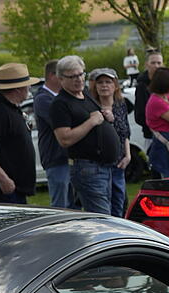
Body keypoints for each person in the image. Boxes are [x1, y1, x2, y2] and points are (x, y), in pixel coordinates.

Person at [50, 55, 121, 214]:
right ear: (61, 79)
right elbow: (64, 139)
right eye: (73, 76)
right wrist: (91, 122)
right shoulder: (60, 104)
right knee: (102, 219)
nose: (79, 79)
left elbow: (97, 117)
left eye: (81, 74)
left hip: (104, 167)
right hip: (87, 169)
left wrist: (106, 117)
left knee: (112, 215)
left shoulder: (85, 94)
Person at [0, 63, 39, 204]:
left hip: (13, 190)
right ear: (18, 89)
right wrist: (3, 179)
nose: (29, 89)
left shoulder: (10, 108)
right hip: (3, 192)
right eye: (27, 85)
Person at [88, 68, 130, 217]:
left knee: (120, 201)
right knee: (104, 203)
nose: (104, 86)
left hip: (119, 163)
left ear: (115, 85)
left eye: (108, 82)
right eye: (100, 82)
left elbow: (125, 132)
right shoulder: (92, 108)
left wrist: (128, 155)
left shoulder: (120, 105)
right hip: (100, 165)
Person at [33, 59, 73, 208]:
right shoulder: (42, 99)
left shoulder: (60, 96)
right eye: (62, 75)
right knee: (60, 206)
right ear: (52, 76)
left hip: (67, 158)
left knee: (72, 206)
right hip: (56, 159)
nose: (65, 79)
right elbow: (64, 121)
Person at [134, 49, 164, 143]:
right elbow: (139, 115)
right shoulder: (142, 86)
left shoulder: (165, 83)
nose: (156, 66)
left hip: (168, 134)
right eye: (153, 63)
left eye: (159, 63)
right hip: (152, 135)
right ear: (147, 64)